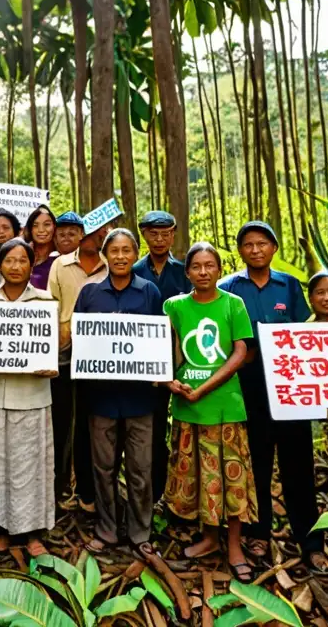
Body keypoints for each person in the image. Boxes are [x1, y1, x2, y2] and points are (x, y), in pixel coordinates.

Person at [218, 221, 326, 573]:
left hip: (291, 388)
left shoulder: (290, 286)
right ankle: (258, 532)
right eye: (248, 245)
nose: (255, 250)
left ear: (274, 247)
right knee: (256, 465)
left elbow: (307, 332)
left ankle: (310, 540)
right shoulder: (228, 288)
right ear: (240, 251)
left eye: (262, 243)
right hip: (247, 387)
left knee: (298, 466)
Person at [163, 243, 256, 580]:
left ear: (219, 269)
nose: (203, 272)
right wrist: (170, 381)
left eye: (210, 266)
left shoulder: (234, 304)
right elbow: (167, 352)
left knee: (232, 479)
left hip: (225, 407)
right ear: (187, 272)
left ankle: (233, 545)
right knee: (201, 477)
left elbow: (240, 351)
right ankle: (208, 538)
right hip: (187, 406)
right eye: (196, 266)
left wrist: (204, 388)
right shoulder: (173, 306)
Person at [0, 238, 57, 558]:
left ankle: (30, 534)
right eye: (9, 261)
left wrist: (50, 367)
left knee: (30, 468)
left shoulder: (45, 302)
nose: (16, 267)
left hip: (32, 396)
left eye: (22, 261)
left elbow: (51, 348)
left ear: (32, 265)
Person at [75, 229, 163, 556]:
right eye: (115, 251)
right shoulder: (90, 294)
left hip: (140, 398)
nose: (122, 257)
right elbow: (83, 342)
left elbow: (158, 340)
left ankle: (141, 534)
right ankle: (107, 529)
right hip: (101, 397)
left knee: (140, 469)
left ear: (135, 253)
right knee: (103, 468)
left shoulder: (149, 292)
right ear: (105, 255)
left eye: (128, 250)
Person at [47, 220, 108, 510]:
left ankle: (86, 489)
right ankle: (59, 488)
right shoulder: (59, 265)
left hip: (99, 354)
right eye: (64, 233)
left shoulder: (110, 263)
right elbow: (52, 304)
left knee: (88, 421)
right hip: (63, 352)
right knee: (61, 421)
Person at [133, 210, 191, 502]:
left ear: (173, 235)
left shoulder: (184, 272)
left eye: (166, 233)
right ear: (143, 234)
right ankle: (143, 493)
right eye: (153, 233)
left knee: (171, 431)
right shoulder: (132, 270)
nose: (159, 239)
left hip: (176, 363)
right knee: (143, 430)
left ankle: (169, 493)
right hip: (137, 364)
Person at [23, 205, 58, 289]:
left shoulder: (60, 258)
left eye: (47, 224)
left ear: (54, 227)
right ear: (30, 229)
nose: (41, 230)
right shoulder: (22, 253)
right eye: (35, 225)